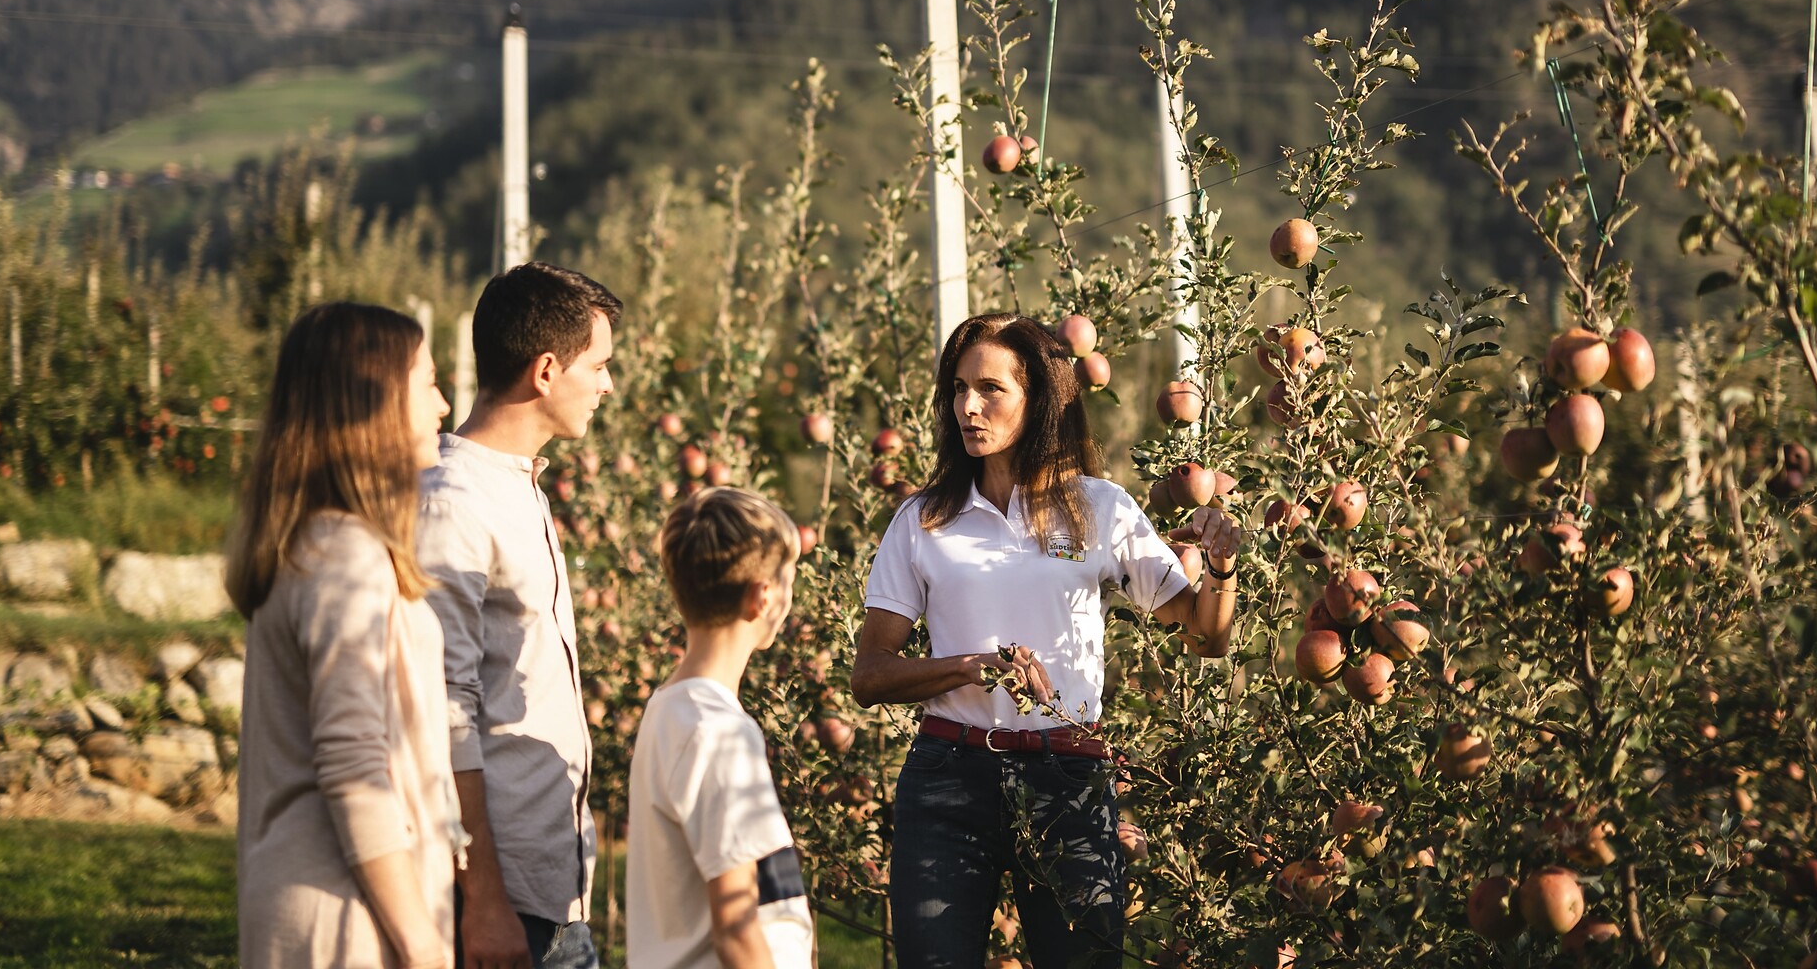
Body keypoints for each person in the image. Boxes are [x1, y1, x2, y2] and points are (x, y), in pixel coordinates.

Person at [852, 313, 1243, 969]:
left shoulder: (1101, 507)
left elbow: (1205, 637)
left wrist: (1224, 570)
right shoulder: (924, 519)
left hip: (1068, 780)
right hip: (949, 778)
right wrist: (971, 667)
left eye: (990, 389)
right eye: (957, 388)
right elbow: (870, 676)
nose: (967, 406)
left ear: (1041, 401)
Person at [229, 301, 463, 969]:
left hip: (340, 901)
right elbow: (353, 762)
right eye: (427, 384)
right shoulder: (343, 554)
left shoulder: (320, 544)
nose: (444, 405)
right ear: (373, 402)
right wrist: (421, 942)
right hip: (349, 917)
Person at [416, 262, 621, 969]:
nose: (606, 384)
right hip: (502, 902)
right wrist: (485, 903)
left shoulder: (519, 486)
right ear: (544, 371)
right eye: (597, 365)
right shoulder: (454, 504)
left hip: (552, 890)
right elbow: (444, 711)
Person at [624, 487, 816, 969]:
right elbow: (736, 930)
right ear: (763, 596)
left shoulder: (669, 710)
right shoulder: (719, 733)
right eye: (788, 579)